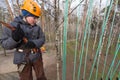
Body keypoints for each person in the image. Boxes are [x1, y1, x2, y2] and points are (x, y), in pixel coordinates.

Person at [0, 0, 47, 80]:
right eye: (34, 17)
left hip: (36, 56)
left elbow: (42, 39)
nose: (36, 20)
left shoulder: (37, 28)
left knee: (41, 76)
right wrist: (14, 39)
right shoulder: (12, 27)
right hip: (22, 59)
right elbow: (4, 44)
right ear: (26, 15)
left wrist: (34, 43)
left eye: (37, 18)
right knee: (26, 78)